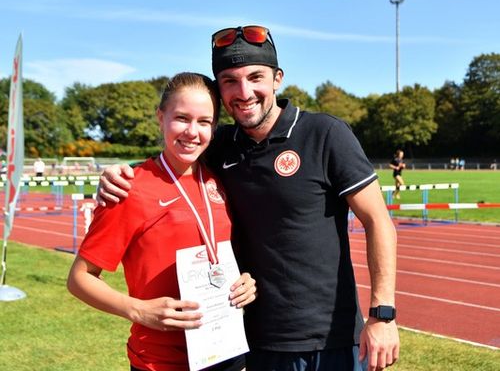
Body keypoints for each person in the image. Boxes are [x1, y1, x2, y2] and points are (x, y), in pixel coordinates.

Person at [97, 25, 399, 371]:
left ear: (277, 79)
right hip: (249, 343)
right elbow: (170, 159)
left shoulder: (325, 134)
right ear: (220, 91)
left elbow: (378, 222)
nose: (244, 92)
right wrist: (119, 172)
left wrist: (383, 315)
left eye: (255, 76)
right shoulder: (220, 144)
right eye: (229, 81)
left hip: (329, 341)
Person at [67, 72, 257, 371]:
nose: (192, 132)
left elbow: (225, 254)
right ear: (161, 117)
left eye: (204, 122)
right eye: (182, 118)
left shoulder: (218, 181)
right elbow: (79, 278)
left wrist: (246, 281)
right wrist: (138, 310)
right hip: (160, 361)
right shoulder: (129, 188)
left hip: (227, 353)